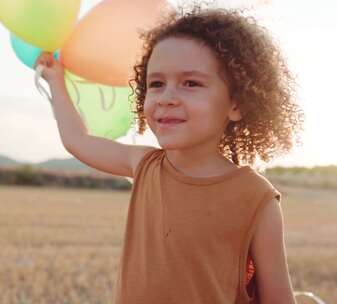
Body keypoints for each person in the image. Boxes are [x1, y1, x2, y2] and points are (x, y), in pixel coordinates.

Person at [34, 3, 304, 303]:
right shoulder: (144, 164)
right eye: (157, 84)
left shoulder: (257, 198)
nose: (166, 98)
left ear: (237, 104)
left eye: (190, 83)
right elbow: (78, 140)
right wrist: (56, 81)